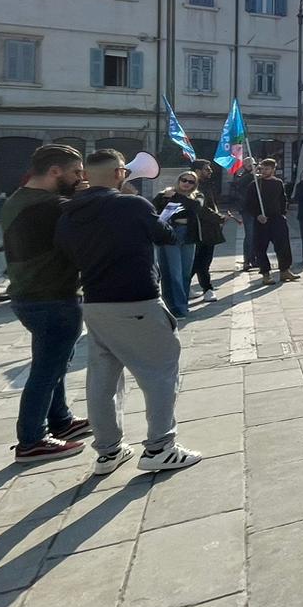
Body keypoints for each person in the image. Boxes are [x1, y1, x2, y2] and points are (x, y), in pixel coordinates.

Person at [53, 150, 200, 475]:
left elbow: (67, 253)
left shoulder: (69, 212)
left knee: (103, 379)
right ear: (121, 173)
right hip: (137, 301)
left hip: (95, 303)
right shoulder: (132, 205)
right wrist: (135, 204)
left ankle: (108, 452)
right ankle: (161, 447)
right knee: (161, 372)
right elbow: (166, 236)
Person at [2, 144, 92, 461]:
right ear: (55, 172)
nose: (81, 178)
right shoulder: (51, 205)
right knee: (46, 370)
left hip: (32, 295)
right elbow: (89, 223)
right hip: (51, 296)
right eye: (76, 172)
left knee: (54, 364)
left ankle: (61, 421)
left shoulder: (19, 198)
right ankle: (32, 439)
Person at [152, 171, 203, 317]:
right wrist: (166, 196)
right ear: (178, 180)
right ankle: (177, 308)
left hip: (188, 235)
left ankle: (182, 304)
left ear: (195, 185)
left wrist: (174, 196)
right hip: (170, 234)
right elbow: (153, 208)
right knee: (173, 273)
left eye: (191, 182)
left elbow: (195, 207)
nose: (186, 183)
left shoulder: (197, 196)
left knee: (185, 273)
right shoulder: (164, 195)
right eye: (184, 180)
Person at [250, 157, 298, 283]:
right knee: (260, 247)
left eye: (267, 169)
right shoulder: (255, 183)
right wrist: (257, 215)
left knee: (283, 246)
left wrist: (283, 213)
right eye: (262, 169)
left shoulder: (278, 183)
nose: (264, 171)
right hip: (262, 220)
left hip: (277, 219)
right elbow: (248, 203)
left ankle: (284, 270)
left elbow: (283, 199)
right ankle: (266, 273)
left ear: (273, 169)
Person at [189, 160, 226, 303]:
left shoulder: (207, 185)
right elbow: (202, 209)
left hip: (209, 229)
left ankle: (186, 286)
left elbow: (211, 204)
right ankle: (208, 289)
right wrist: (219, 218)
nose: (210, 170)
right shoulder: (193, 186)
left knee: (201, 261)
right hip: (199, 229)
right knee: (201, 261)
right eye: (206, 169)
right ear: (198, 171)